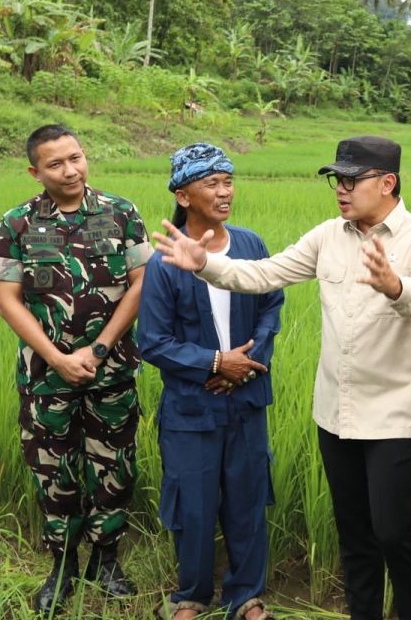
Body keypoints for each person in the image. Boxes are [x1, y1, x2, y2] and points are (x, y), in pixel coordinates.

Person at [153, 135, 411, 620]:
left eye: (352, 180)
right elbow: (264, 274)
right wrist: (204, 264)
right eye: (337, 180)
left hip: (392, 413)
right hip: (334, 412)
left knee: (395, 531)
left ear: (388, 183)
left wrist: (394, 284)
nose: (341, 190)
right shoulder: (329, 235)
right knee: (354, 533)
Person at [0, 124, 151, 613]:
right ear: (35, 171)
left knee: (114, 469)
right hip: (46, 378)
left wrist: (98, 350)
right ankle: (61, 566)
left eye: (75, 157)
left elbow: (141, 284)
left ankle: (107, 560)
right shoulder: (17, 222)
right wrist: (57, 357)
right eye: (55, 164)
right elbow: (7, 300)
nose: (70, 170)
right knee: (52, 471)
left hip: (112, 372)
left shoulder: (121, 213)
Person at [138, 143, 284, 620]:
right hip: (191, 406)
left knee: (247, 498)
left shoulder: (249, 245)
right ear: (183, 195)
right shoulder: (164, 261)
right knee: (193, 505)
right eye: (211, 184)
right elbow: (153, 342)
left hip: (246, 398)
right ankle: (192, 596)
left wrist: (248, 361)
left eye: (228, 181)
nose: (225, 193)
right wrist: (217, 363)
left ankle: (246, 597)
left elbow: (270, 307)